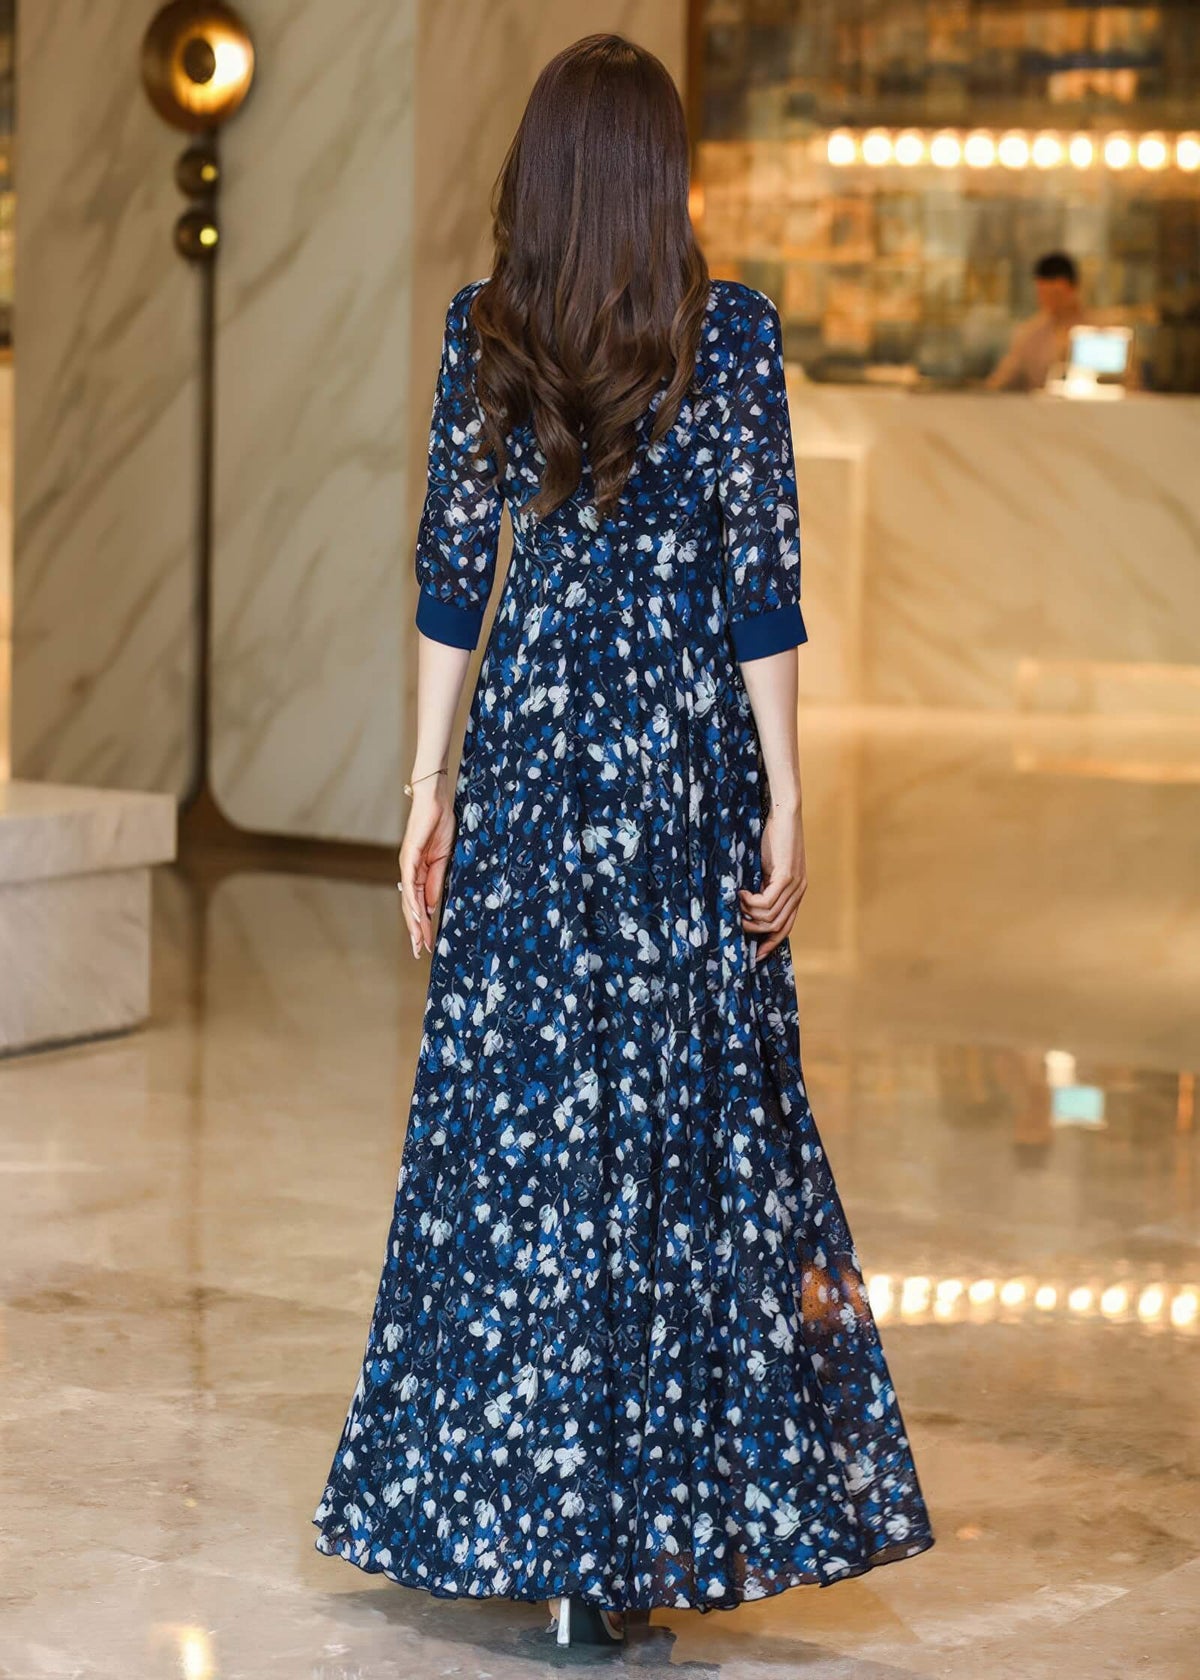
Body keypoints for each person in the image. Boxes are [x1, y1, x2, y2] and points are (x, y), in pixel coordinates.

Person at [312, 32, 935, 1649]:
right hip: (671, 775)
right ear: (663, 178)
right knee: (675, 1142)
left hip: (529, 765)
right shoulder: (726, 337)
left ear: (539, 178)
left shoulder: (487, 332)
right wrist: (789, 791)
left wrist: (428, 792)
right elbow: (760, 590)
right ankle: (637, 1540)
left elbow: (457, 578)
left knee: (516, 1146)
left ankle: (515, 1524)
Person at [985, 250, 1085, 391]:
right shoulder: (1030, 334)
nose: (1051, 301)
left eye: (1056, 294)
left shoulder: (1100, 330)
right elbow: (1003, 380)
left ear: (1074, 289)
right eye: (1044, 294)